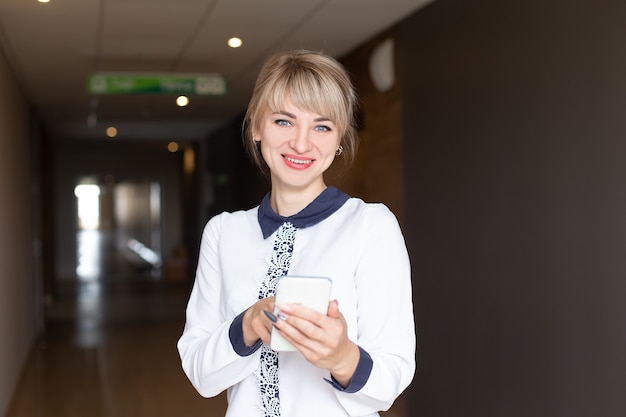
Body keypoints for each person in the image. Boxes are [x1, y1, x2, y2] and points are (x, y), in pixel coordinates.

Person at [177, 49, 415, 417]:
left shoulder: (371, 227)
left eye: (322, 126)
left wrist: (341, 356)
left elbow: (391, 381)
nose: (302, 144)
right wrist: (250, 324)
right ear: (256, 126)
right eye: (284, 122)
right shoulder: (223, 233)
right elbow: (201, 375)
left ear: (339, 140)